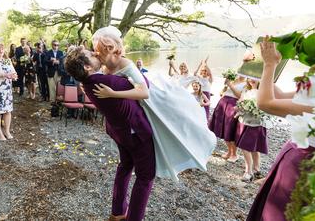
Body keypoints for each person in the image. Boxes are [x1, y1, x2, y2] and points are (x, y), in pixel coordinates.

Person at [92, 26, 216, 181]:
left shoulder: (125, 64)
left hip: (149, 98)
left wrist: (113, 94)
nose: (96, 53)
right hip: (129, 110)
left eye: (98, 50)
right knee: (127, 161)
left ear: (109, 49)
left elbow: (144, 92)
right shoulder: (103, 66)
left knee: (170, 126)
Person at [65, 46, 156, 221]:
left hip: (119, 132)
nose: (95, 53)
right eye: (90, 55)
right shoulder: (110, 83)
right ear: (87, 67)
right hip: (135, 133)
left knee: (125, 166)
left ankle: (117, 212)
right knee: (145, 176)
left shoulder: (87, 83)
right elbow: (144, 86)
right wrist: (124, 62)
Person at [246, 38, 315, 221]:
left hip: (306, 164)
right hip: (295, 154)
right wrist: (260, 69)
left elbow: (266, 103)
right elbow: (278, 95)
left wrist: (270, 65)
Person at [235, 79, 268, 182]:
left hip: (256, 123)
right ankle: (256, 170)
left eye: (255, 78)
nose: (252, 80)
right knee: (252, 148)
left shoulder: (263, 92)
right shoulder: (246, 91)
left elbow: (265, 106)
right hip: (245, 122)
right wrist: (238, 109)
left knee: (246, 147)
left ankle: (249, 172)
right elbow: (240, 104)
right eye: (250, 78)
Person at [209, 73, 246, 163]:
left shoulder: (246, 84)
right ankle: (229, 152)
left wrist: (230, 85)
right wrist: (226, 85)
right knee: (223, 130)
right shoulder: (234, 80)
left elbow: (240, 96)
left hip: (233, 106)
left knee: (230, 130)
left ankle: (234, 154)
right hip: (223, 103)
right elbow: (222, 92)